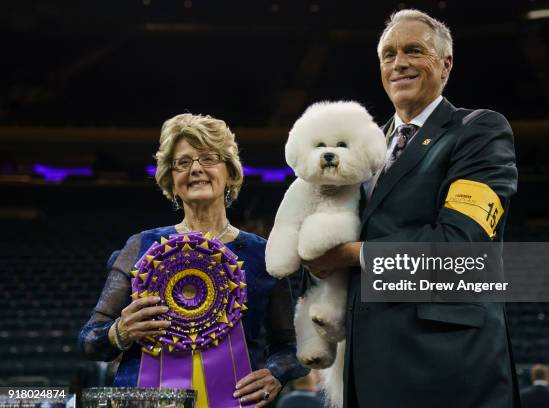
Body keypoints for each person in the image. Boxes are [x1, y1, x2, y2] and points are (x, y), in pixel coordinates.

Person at [304, 9, 520, 408]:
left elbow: (461, 247)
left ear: (445, 64)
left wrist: (352, 254)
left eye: (413, 51)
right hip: (364, 368)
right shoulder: (364, 146)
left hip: (446, 369)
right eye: (388, 55)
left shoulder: (478, 131)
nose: (399, 63)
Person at [79, 113, 308, 406]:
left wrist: (275, 373)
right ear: (172, 182)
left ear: (230, 173)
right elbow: (89, 340)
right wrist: (120, 332)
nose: (196, 169)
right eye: (183, 163)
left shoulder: (266, 254)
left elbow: (290, 347)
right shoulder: (141, 246)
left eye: (208, 158)